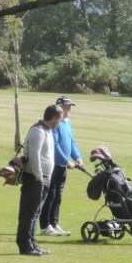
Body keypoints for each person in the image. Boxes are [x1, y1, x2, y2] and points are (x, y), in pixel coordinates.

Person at [16, 105, 63, 256]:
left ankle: (32, 243)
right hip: (35, 178)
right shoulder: (37, 131)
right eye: (59, 119)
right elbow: (34, 156)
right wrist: (38, 176)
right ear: (54, 118)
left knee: (36, 213)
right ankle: (25, 245)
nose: (60, 122)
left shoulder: (47, 130)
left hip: (44, 178)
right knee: (29, 213)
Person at [39, 96, 84, 237]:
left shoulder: (67, 122)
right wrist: (67, 161)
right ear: (59, 107)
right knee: (50, 195)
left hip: (62, 167)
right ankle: (45, 226)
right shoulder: (55, 124)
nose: (69, 109)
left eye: (70, 107)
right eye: (67, 106)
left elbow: (71, 141)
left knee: (58, 196)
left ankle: (54, 223)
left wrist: (77, 158)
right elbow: (56, 145)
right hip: (53, 165)